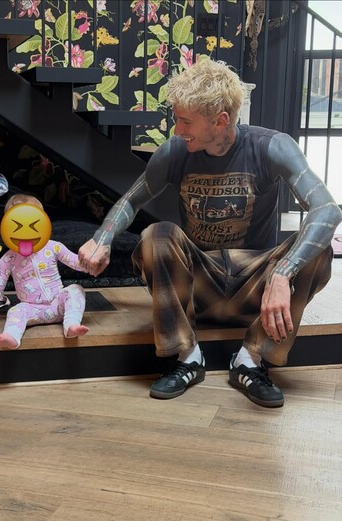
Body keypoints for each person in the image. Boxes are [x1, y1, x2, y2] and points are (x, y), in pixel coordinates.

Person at [78, 58, 342, 408]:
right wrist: (103, 239)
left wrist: (283, 271)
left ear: (220, 120)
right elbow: (131, 200)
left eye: (185, 121)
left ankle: (251, 360)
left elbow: (327, 209)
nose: (177, 129)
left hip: (256, 289)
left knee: (319, 250)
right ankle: (187, 357)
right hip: (198, 287)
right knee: (157, 235)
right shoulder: (173, 153)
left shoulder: (272, 146)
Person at [0, 193, 89, 348]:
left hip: (59, 304)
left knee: (76, 289)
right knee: (15, 310)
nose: (25, 231)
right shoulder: (8, 259)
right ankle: (11, 336)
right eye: (17, 225)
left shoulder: (54, 247)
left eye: (33, 224)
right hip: (32, 310)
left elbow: (76, 263)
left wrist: (91, 261)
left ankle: (72, 325)